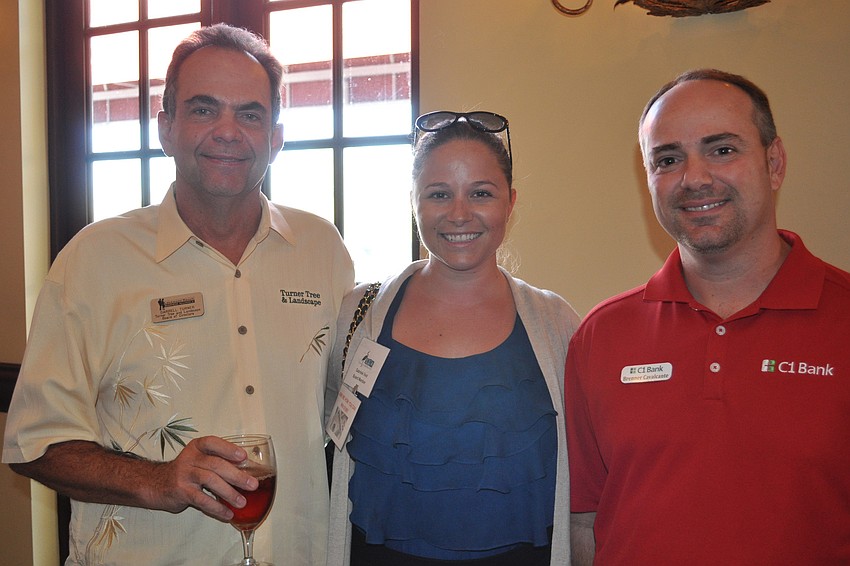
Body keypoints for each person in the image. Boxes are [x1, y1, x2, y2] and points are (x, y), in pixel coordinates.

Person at [2, 24, 354, 565]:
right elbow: (34, 443)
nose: (228, 132)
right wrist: (158, 480)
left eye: (251, 115)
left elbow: (341, 414)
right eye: (204, 109)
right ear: (166, 129)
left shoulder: (321, 249)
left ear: (276, 138)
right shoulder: (94, 259)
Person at [565, 68, 850, 565]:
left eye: (722, 149)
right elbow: (585, 521)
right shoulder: (600, 335)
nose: (694, 178)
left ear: (775, 163)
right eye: (668, 159)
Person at [324, 110, 581, 565]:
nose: (459, 214)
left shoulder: (557, 324)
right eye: (439, 194)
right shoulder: (358, 314)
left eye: (481, 193)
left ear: (510, 202)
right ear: (413, 202)